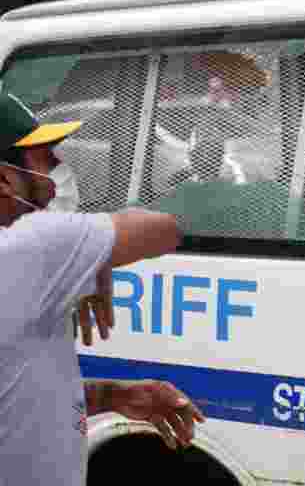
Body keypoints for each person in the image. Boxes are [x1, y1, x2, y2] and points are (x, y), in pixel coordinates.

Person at [0, 90, 205, 486]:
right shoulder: (29, 249)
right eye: (45, 157)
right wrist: (96, 256)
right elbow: (164, 229)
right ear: (5, 180)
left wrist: (109, 396)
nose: (61, 168)